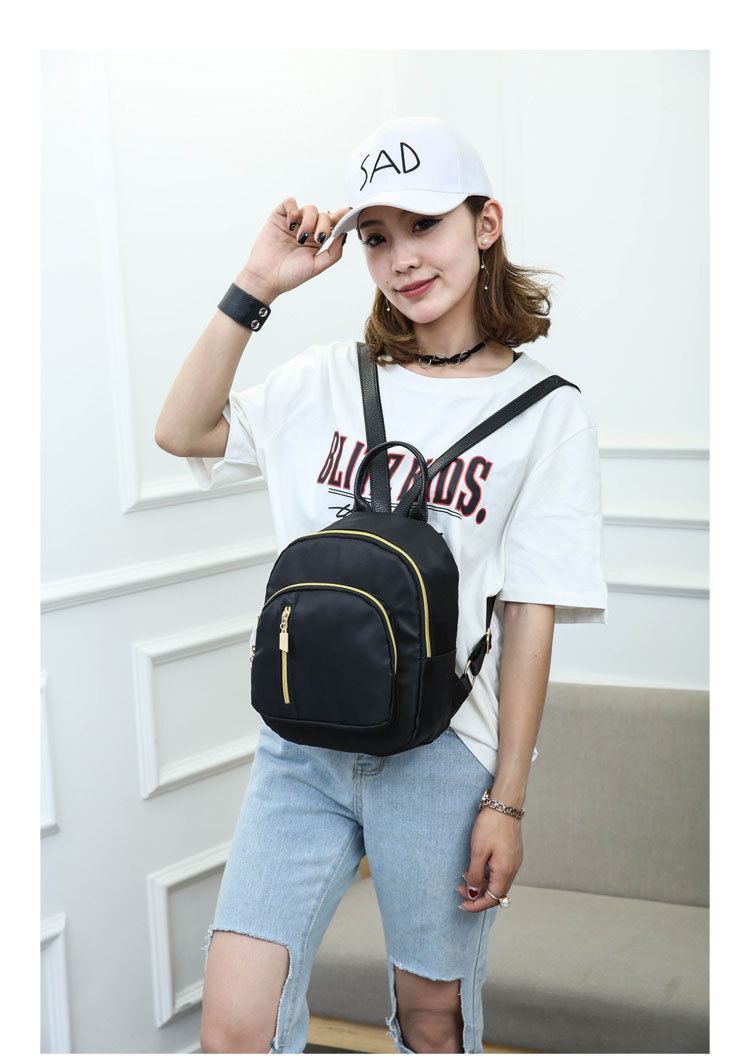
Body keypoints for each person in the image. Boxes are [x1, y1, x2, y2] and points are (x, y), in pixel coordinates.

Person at [155, 116, 608, 1054]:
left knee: (431, 1019)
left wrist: (508, 800)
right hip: (301, 749)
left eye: (424, 224)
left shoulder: (547, 416)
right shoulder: (322, 379)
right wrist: (257, 283)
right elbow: (182, 430)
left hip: (442, 754)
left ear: (485, 224)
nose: (401, 258)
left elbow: (530, 614)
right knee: (233, 1024)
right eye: (375, 236)